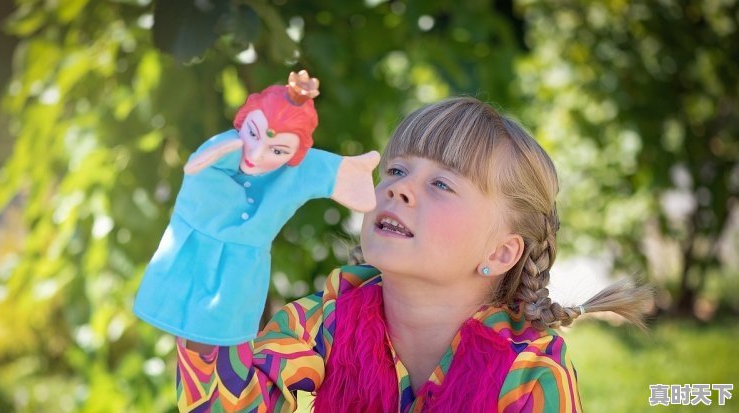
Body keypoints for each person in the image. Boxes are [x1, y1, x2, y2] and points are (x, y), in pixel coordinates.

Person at [175, 97, 652, 412]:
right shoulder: (323, 323)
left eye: (441, 183)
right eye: (397, 168)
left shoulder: (529, 373)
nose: (400, 188)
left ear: (501, 251)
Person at [134, 71, 380, 345]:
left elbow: (339, 176)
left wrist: (357, 174)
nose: (257, 154)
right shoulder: (220, 152)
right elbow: (196, 164)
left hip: (240, 272)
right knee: (187, 339)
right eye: (253, 134)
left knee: (218, 348)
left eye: (278, 151)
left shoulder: (297, 171)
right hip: (189, 253)